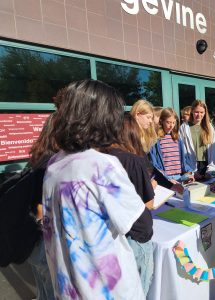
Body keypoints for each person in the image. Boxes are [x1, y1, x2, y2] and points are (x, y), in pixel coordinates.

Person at [42, 80, 146, 299]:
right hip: (109, 289)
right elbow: (142, 225)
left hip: (68, 288)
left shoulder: (54, 164)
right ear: (103, 118)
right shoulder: (102, 166)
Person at [103, 112, 155, 296]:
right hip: (137, 234)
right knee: (139, 289)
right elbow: (148, 204)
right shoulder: (133, 160)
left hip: (113, 236)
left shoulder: (101, 157)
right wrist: (150, 186)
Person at [26, 112, 58, 300]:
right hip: (44, 239)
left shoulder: (37, 156)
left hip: (32, 237)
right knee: (51, 290)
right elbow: (40, 206)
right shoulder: (50, 163)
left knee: (43, 289)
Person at [150, 108, 195, 182]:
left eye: (173, 122)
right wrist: (164, 177)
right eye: (168, 122)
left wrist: (189, 173)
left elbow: (184, 160)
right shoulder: (156, 140)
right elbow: (153, 163)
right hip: (165, 179)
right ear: (161, 121)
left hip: (179, 177)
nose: (171, 126)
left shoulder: (178, 139)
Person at [180, 100, 215, 179]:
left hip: (206, 166)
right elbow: (182, 150)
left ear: (205, 113)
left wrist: (210, 170)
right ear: (192, 111)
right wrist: (190, 171)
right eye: (196, 112)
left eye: (202, 112)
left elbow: (213, 150)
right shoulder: (184, 127)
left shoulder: (209, 127)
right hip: (190, 165)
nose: (199, 115)